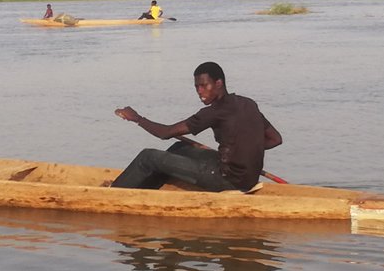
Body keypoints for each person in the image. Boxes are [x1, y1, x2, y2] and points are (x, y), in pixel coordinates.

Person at [111, 61, 282, 192]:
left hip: (226, 179)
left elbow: (166, 133)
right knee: (180, 148)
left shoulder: (213, 112)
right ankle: (149, 188)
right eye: (196, 86)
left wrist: (137, 118)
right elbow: (275, 139)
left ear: (219, 83)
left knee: (148, 156)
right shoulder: (248, 104)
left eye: (204, 85)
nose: (200, 91)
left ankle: (114, 193)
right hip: (249, 178)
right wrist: (243, 150)